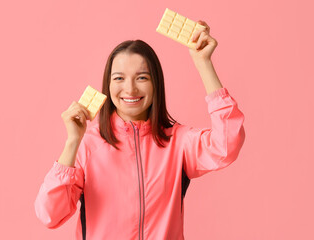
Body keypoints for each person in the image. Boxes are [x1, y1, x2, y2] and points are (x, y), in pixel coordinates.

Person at [35, 21, 246, 239]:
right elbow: (50, 215)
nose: (130, 88)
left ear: (156, 84)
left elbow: (227, 145)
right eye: (119, 78)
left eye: (142, 77)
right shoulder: (87, 145)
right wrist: (72, 142)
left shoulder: (178, 142)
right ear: (108, 84)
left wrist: (203, 63)